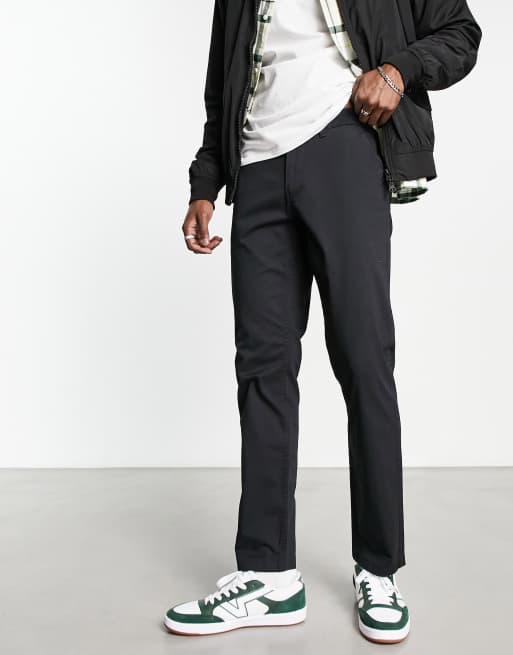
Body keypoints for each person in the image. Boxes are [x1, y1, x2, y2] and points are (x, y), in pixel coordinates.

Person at [164, 0, 481, 643]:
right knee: (263, 367)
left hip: (345, 147)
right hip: (256, 168)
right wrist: (205, 182)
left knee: (365, 360)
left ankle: (379, 569)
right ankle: (268, 574)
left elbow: (461, 32)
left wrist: (397, 69)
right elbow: (221, 83)